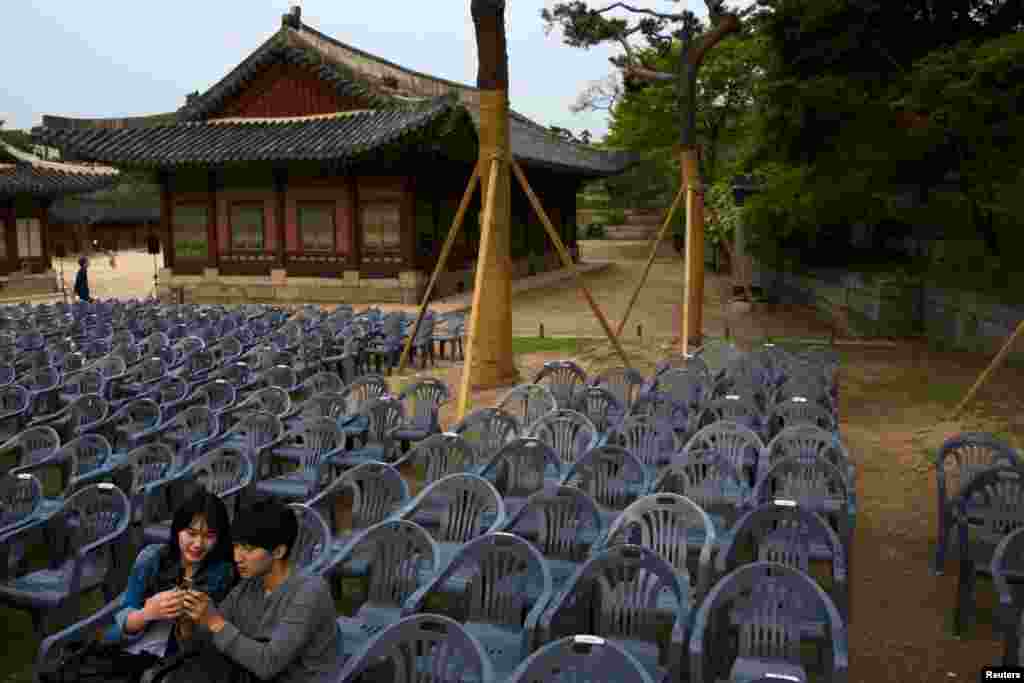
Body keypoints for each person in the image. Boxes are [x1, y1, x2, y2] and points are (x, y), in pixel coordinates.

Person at [41, 489, 235, 683]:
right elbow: (116, 630)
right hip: (126, 655)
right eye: (191, 533)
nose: (198, 544)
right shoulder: (152, 558)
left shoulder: (222, 574)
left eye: (208, 536)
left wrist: (187, 625)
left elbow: (207, 645)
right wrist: (148, 613)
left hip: (170, 666)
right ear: (177, 530)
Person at [169, 499, 341, 683]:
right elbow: (210, 641)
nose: (237, 557)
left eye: (248, 549)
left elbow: (268, 664)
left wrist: (214, 621)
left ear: (278, 552)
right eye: (235, 546)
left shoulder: (309, 591)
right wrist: (188, 624)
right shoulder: (250, 584)